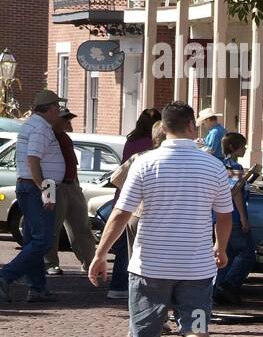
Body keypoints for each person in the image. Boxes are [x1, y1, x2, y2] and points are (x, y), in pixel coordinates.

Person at [88, 101, 233, 337]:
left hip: (150, 264)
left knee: (142, 331)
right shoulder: (213, 166)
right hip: (195, 266)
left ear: (163, 129)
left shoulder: (144, 163)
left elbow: (121, 214)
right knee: (196, 326)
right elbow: (225, 216)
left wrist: (100, 254)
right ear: (193, 127)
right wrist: (220, 248)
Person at [0, 89, 67, 304]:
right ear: (51, 108)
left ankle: (36, 287)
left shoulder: (34, 125)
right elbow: (33, 160)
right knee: (42, 240)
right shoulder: (40, 128)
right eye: (58, 107)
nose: (60, 111)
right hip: (37, 188)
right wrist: (45, 190)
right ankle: (5, 275)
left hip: (31, 187)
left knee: (33, 238)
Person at [107, 120, 166, 299]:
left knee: (133, 258)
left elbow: (117, 179)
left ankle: (129, 292)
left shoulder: (138, 154)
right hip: (152, 215)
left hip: (136, 212)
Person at [44, 108, 97, 276]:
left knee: (82, 227)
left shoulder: (65, 138)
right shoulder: (48, 138)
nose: (69, 122)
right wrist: (47, 192)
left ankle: (90, 263)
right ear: (54, 120)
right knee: (52, 227)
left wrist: (76, 185)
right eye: (65, 119)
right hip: (54, 186)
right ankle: (50, 263)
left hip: (72, 185)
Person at [213, 132, 257, 304]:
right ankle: (230, 285)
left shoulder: (219, 165)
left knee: (228, 254)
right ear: (233, 147)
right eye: (242, 146)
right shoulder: (234, 167)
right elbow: (235, 193)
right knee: (247, 254)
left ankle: (218, 289)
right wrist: (244, 218)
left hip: (219, 215)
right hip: (234, 217)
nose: (245, 148)